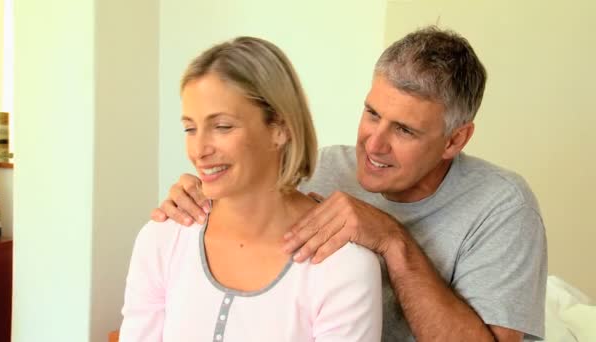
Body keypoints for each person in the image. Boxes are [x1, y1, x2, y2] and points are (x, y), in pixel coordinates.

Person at [153, 26, 548, 341]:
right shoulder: (325, 169)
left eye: (405, 130)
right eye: (372, 113)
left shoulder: (502, 206)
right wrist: (202, 195)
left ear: (455, 140)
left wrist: (392, 240)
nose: (374, 143)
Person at [119, 37, 383, 341]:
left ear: (279, 128)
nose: (199, 150)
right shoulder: (162, 240)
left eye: (222, 127)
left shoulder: (343, 268)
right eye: (190, 128)